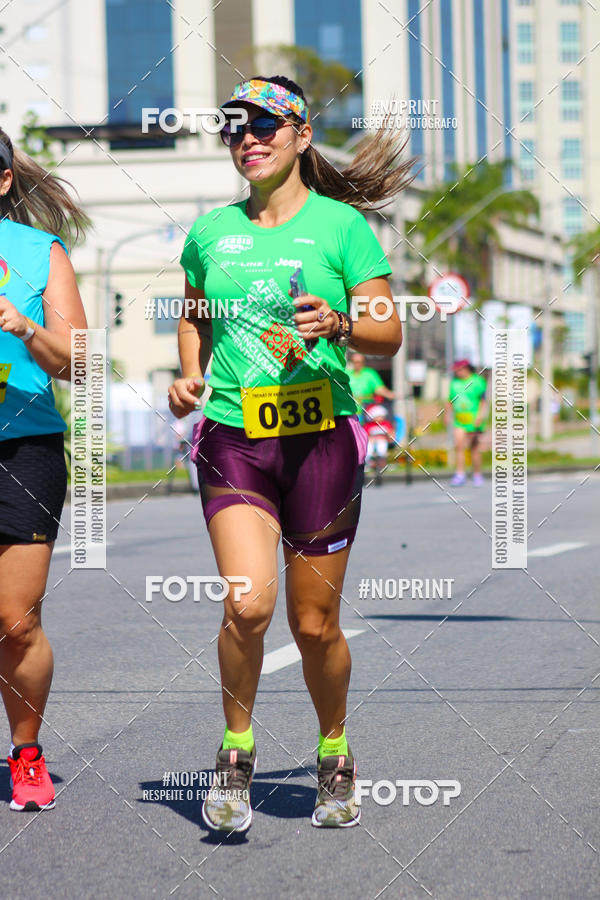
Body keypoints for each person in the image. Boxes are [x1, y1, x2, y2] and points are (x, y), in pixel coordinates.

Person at [168, 75, 414, 832]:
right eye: (234, 127)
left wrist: (340, 324)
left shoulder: (343, 229)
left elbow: (388, 334)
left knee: (314, 626)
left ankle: (334, 748)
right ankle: (235, 753)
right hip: (236, 436)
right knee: (248, 602)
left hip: (322, 441)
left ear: (302, 136)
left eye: (266, 125)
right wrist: (189, 373)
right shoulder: (210, 233)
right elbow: (193, 315)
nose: (248, 137)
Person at [0, 128, 88, 810]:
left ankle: (26, 753)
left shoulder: (38, 253)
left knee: (15, 620)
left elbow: (79, 361)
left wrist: (25, 328)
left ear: (3, 182)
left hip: (22, 450)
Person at [445, 359, 487, 486]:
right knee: (459, 446)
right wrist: (447, 414)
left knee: (474, 448)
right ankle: (460, 474)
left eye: (459, 370)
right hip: (459, 420)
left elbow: (483, 401)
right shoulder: (454, 383)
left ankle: (477, 474)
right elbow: (450, 400)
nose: (457, 373)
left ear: (466, 369)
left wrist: (480, 415)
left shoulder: (478, 381)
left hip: (474, 419)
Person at [347, 351, 394, 418]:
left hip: (366, 412)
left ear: (363, 362)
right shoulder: (347, 373)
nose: (357, 364)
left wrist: (390, 394)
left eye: (359, 362)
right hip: (350, 412)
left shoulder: (370, 373)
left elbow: (379, 389)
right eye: (355, 362)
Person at [363, 402, 395, 486]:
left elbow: (391, 435)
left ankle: (381, 460)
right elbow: (365, 436)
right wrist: (372, 439)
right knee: (369, 446)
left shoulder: (386, 425)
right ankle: (368, 461)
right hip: (372, 442)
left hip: (384, 441)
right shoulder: (368, 426)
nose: (381, 418)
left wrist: (387, 437)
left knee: (381, 444)